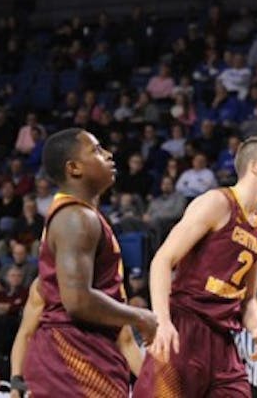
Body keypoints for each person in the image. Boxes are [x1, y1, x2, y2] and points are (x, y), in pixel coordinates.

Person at [133, 136, 257, 397]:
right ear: (256, 166)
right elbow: (162, 260)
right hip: (185, 325)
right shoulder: (216, 203)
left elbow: (248, 297)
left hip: (223, 339)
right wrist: (163, 321)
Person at [22, 129, 158, 398]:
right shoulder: (76, 217)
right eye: (96, 150)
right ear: (73, 168)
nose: (108, 154)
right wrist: (141, 316)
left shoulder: (80, 215)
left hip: (84, 350)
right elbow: (78, 300)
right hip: (73, 353)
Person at [9, 278, 144, 398]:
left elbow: (126, 342)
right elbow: (26, 334)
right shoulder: (45, 284)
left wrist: (153, 382)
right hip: (53, 375)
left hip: (99, 377)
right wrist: (15, 381)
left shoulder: (111, 285)